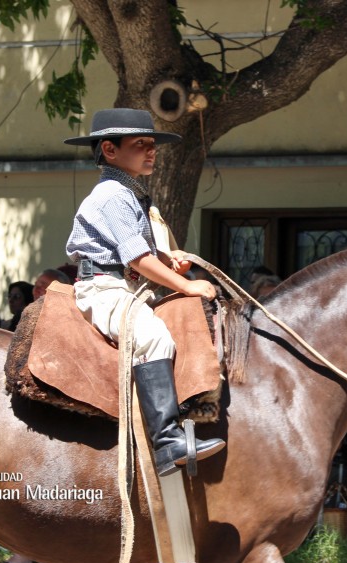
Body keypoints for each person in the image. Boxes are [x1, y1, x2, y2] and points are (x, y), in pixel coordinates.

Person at [64, 108, 224, 477]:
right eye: (141, 145)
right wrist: (185, 284)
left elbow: (144, 254)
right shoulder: (112, 195)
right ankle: (167, 441)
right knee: (154, 339)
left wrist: (169, 260)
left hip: (124, 286)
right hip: (103, 288)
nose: (151, 152)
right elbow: (136, 257)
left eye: (152, 145)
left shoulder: (132, 193)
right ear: (109, 149)